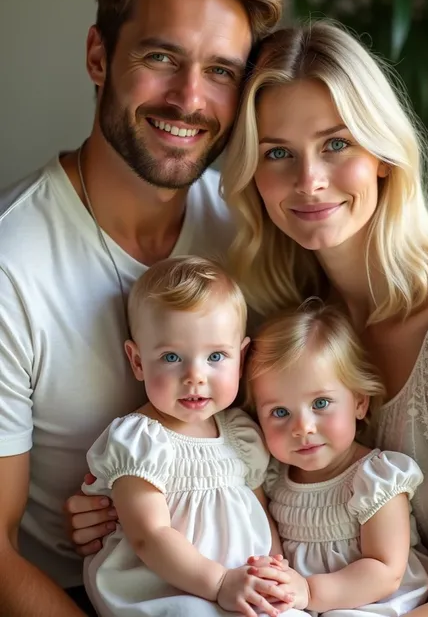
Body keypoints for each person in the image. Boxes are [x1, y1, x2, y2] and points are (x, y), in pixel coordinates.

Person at [0, 0, 282, 617]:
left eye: (220, 71)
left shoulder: (255, 225)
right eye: (161, 57)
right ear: (99, 55)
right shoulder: (12, 263)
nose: (190, 99)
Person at [219, 20, 428, 614]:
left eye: (337, 144)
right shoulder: (289, 325)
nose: (309, 181)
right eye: (277, 153)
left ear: (382, 155)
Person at [81, 255, 304, 617]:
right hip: (166, 587)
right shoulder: (141, 440)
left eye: (216, 355)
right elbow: (148, 535)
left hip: (240, 586)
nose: (195, 376)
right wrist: (218, 584)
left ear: (242, 358)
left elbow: (260, 514)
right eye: (171, 357)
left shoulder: (241, 435)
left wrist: (275, 573)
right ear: (137, 361)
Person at [245, 302, 428, 615]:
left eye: (320, 403)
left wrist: (308, 590)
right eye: (280, 412)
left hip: (371, 603)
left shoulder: (375, 478)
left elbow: (385, 571)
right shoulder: (275, 478)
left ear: (359, 402)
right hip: (301, 604)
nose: (302, 428)